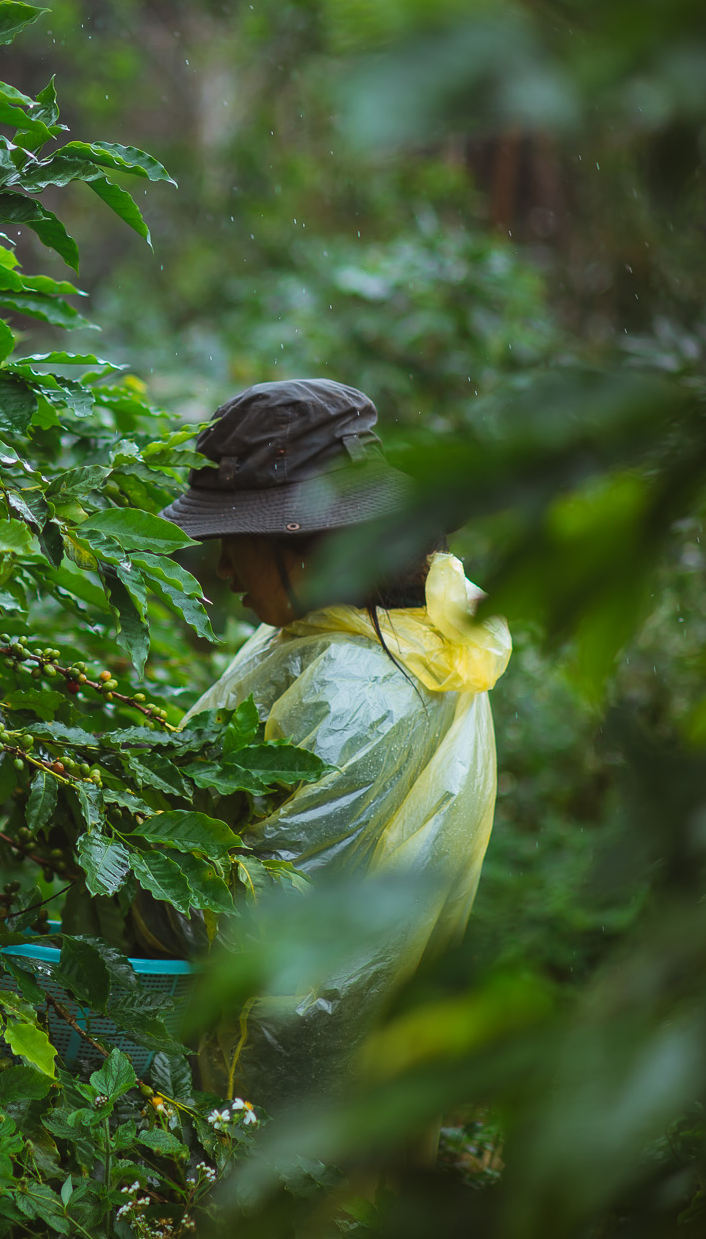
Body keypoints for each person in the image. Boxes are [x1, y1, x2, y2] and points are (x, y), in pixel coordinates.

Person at [157, 379, 512, 1111]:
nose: (224, 571)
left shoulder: (355, 686)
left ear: (307, 547)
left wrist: (121, 851)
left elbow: (255, 917)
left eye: (237, 545)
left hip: (274, 1073)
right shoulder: (401, 633)